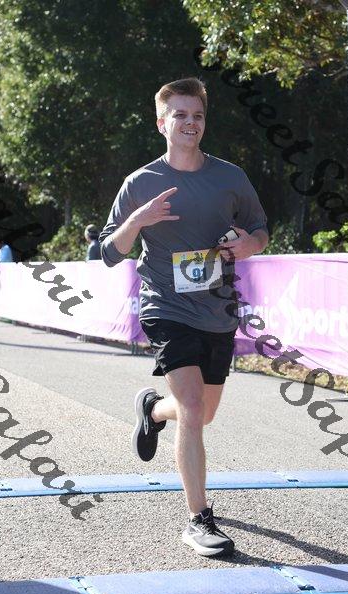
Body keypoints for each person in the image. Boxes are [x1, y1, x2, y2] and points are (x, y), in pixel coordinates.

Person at [99, 77, 269, 558]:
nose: (190, 123)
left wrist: (249, 245)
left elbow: (260, 230)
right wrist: (138, 220)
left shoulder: (230, 177)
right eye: (180, 115)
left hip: (218, 309)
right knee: (193, 409)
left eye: (197, 115)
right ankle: (199, 520)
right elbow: (110, 251)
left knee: (202, 413)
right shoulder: (141, 182)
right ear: (162, 123)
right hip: (166, 307)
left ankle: (153, 411)